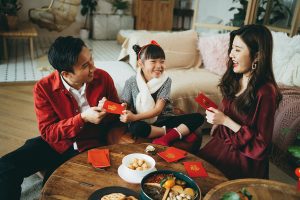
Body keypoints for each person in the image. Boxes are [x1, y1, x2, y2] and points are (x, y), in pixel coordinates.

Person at [0, 36, 119, 199]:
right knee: (5, 167)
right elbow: (48, 132)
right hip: (56, 144)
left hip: (89, 145)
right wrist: (82, 118)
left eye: (91, 59)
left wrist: (109, 110)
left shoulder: (103, 78)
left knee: (53, 190)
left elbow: (116, 116)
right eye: (85, 66)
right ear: (66, 73)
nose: (93, 67)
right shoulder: (43, 88)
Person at [199, 24, 282, 179]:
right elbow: (229, 109)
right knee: (191, 172)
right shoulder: (236, 78)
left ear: (257, 55)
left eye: (237, 50)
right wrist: (219, 120)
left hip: (245, 159)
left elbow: (261, 145)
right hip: (224, 144)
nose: (231, 54)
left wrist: (225, 121)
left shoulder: (266, 92)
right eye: (232, 49)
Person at [120, 40, 204, 146]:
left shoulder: (166, 80)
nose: (159, 66)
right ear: (141, 63)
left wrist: (134, 117)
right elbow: (125, 102)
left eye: (162, 61)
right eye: (153, 61)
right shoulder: (131, 81)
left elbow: (158, 110)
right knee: (136, 128)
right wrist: (124, 106)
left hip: (163, 118)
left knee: (198, 117)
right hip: (141, 121)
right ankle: (172, 132)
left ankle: (165, 138)